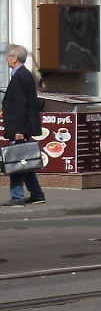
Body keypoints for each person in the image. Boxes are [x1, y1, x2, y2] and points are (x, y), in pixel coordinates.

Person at [3, 45, 46, 206]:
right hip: (19, 125)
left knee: (16, 162)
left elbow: (22, 105)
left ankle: (17, 197)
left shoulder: (20, 76)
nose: (6, 58)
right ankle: (37, 194)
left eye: (8, 56)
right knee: (24, 161)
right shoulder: (23, 74)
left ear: (14, 58)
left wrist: (20, 130)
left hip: (18, 128)